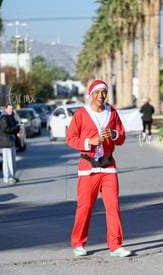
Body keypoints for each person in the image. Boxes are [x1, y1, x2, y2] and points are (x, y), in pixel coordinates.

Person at [66, 80, 131, 258]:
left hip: (109, 166)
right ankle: (78, 243)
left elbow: (122, 137)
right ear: (91, 94)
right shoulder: (81, 114)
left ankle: (116, 245)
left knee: (113, 206)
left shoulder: (112, 113)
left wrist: (115, 134)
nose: (101, 96)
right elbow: (70, 138)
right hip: (88, 167)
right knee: (85, 206)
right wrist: (89, 142)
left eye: (104, 92)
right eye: (97, 92)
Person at [0, 103, 20, 185]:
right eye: (10, 109)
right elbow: (6, 129)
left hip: (11, 140)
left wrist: (17, 127)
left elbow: (14, 127)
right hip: (6, 141)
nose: (11, 110)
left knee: (12, 160)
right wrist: (16, 128)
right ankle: (8, 177)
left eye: (12, 109)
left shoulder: (11, 117)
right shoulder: (4, 118)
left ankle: (12, 176)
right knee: (8, 161)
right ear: (6, 109)